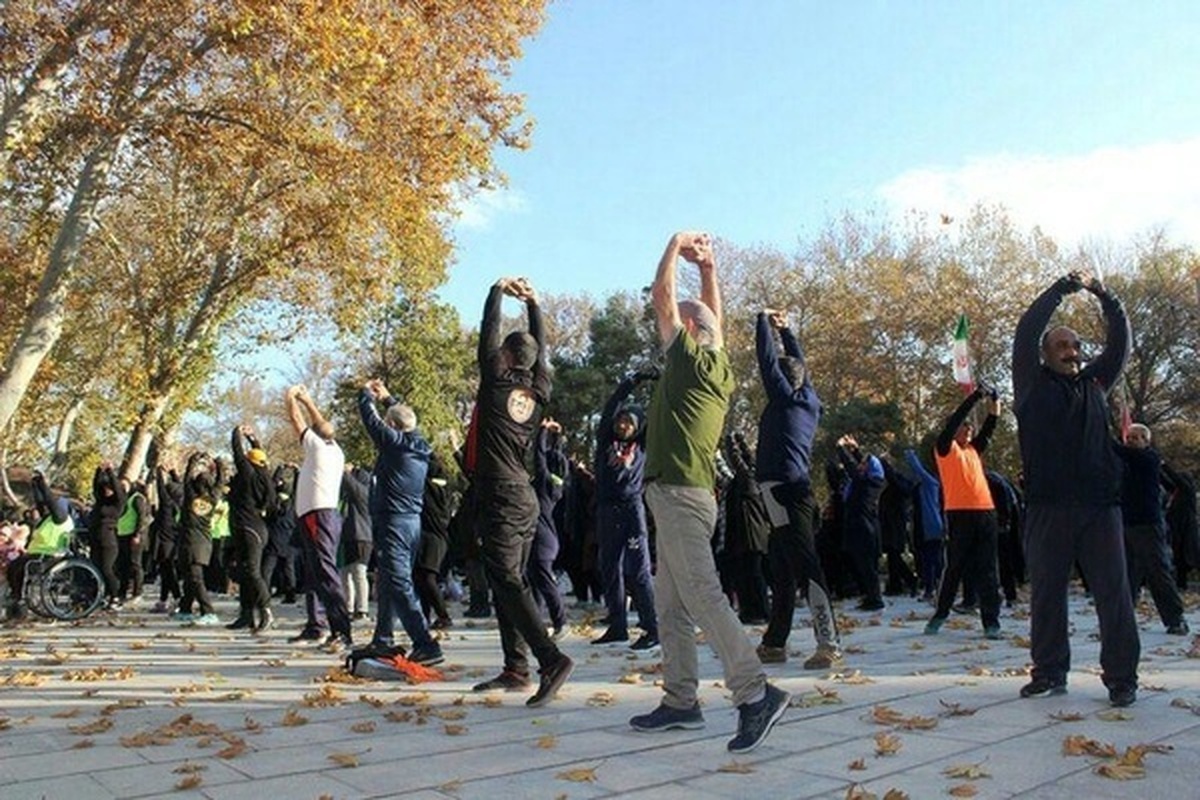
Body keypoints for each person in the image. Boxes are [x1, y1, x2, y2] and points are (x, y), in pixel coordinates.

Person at [629, 231, 789, 754]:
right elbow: (712, 320)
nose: (666, 324)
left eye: (679, 319)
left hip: (677, 495)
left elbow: (662, 297)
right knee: (670, 607)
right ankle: (680, 701)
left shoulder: (689, 360)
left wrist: (675, 246)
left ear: (690, 330)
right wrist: (710, 271)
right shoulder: (717, 366)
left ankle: (755, 693)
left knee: (703, 595)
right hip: (687, 497)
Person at [1012, 270, 1140, 707]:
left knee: (1114, 596)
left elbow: (1120, 345)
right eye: (1062, 346)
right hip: (1047, 508)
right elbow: (1027, 329)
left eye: (1076, 347)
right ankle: (1049, 671)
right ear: (1045, 355)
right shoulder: (1030, 385)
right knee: (1047, 593)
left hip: (1100, 507)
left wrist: (1106, 296)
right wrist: (1060, 290)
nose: (1072, 352)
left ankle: (1122, 678)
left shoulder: (1095, 385)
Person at [470, 276, 573, 707]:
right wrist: (533, 304)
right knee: (508, 581)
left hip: (502, 495)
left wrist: (496, 291)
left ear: (507, 356)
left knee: (508, 579)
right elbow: (543, 351)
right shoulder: (538, 390)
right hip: (523, 497)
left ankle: (550, 659)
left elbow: (487, 334)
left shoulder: (496, 384)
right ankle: (516, 667)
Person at [752, 308, 842, 670]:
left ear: (784, 384)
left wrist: (761, 321)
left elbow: (766, 360)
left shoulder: (784, 399)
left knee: (805, 567)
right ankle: (775, 642)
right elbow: (797, 363)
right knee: (783, 566)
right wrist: (787, 330)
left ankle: (828, 643)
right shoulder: (810, 400)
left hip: (781, 492)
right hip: (793, 490)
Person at [356, 378, 442, 665]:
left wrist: (365, 393)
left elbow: (371, 421)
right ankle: (383, 639)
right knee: (389, 581)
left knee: (400, 582)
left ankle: (425, 644)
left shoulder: (393, 444)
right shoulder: (420, 444)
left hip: (393, 522)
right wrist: (389, 399)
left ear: (392, 427)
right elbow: (404, 421)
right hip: (410, 523)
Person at [923, 388, 1003, 638]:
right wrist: (974, 397)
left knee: (989, 569)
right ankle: (940, 614)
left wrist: (994, 402)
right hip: (960, 514)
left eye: (970, 429)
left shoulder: (973, 450)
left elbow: (990, 426)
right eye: (964, 428)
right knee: (954, 566)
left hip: (986, 513)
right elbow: (957, 418)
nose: (968, 431)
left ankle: (991, 622)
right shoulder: (945, 449)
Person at [592, 368, 660, 650]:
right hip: (607, 510)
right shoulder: (606, 441)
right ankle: (617, 625)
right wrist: (632, 382)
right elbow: (611, 407)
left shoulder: (643, 445)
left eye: (629, 422)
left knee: (638, 571)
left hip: (632, 510)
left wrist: (664, 382)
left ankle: (651, 629)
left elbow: (660, 414)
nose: (623, 425)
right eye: (621, 420)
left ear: (638, 427)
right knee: (609, 568)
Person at [285, 384, 353, 651]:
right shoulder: (335, 449)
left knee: (326, 573)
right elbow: (320, 423)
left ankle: (342, 631)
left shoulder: (317, 447)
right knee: (315, 573)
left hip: (319, 514)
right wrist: (309, 400)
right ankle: (317, 625)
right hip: (317, 514)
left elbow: (297, 420)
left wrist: (291, 398)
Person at [1116, 423, 1188, 635]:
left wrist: (1096, 425)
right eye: (1129, 437)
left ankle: (1176, 619)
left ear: (1147, 442)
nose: (1131, 440)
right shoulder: (1124, 462)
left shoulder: (1149, 459)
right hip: (1126, 524)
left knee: (1157, 572)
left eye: (1137, 437)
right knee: (1126, 575)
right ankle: (1121, 622)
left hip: (1148, 525)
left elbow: (1114, 448)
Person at [226, 425, 277, 632]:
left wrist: (237, 432)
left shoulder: (248, 474)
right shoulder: (264, 475)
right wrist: (253, 437)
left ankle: (266, 609)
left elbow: (237, 452)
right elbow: (258, 455)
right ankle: (246, 614)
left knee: (253, 572)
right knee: (245, 572)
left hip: (249, 528)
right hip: (253, 528)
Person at [836, 435, 886, 611]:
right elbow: (860, 467)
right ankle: (870, 596)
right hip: (863, 529)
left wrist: (841, 449)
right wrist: (856, 449)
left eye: (864, 464)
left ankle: (875, 599)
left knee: (867, 567)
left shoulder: (867, 482)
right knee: (863, 566)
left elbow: (854, 470)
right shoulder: (870, 480)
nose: (861, 465)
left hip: (864, 531)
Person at [530, 418, 568, 639]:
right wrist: (557, 437)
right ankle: (534, 624)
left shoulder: (544, 483)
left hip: (543, 541)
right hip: (547, 540)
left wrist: (543, 431)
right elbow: (554, 456)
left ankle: (560, 621)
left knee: (544, 582)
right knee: (536, 582)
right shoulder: (556, 484)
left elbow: (540, 457)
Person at [175, 450, 223, 625]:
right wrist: (218, 464)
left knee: (195, 578)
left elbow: (186, 479)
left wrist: (194, 460)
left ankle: (208, 611)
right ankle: (186, 607)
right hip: (203, 542)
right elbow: (220, 482)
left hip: (190, 541)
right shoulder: (212, 498)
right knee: (190, 578)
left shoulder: (191, 498)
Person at [415, 452, 453, 630]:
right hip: (436, 538)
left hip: (432, 537)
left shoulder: (429, 487)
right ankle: (425, 616)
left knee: (427, 578)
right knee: (422, 578)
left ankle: (443, 616)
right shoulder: (443, 486)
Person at [904, 448, 945, 601]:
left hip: (931, 527)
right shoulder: (930, 485)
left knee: (931, 560)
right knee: (932, 560)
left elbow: (918, 470)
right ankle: (936, 588)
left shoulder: (930, 483)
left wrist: (910, 454)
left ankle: (932, 590)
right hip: (930, 527)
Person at [339, 464, 374, 621]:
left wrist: (345, 472)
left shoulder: (365, 493)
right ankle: (349, 607)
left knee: (359, 573)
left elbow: (353, 486)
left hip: (362, 536)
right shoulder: (346, 497)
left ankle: (362, 608)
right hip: (346, 536)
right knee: (345, 574)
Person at [90, 463, 126, 610]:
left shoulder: (118, 503)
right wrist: (99, 470)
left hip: (108, 540)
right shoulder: (100, 501)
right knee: (96, 569)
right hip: (95, 538)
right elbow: (96, 487)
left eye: (109, 489)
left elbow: (117, 490)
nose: (107, 491)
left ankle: (116, 596)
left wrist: (111, 472)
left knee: (107, 569)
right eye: (105, 489)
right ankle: (102, 595)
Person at [151, 465, 183, 613]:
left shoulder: (167, 506)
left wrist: (159, 473)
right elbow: (180, 487)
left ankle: (177, 598)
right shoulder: (180, 505)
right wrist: (173, 472)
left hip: (164, 544)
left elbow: (161, 490)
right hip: (173, 543)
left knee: (169, 573)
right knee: (165, 573)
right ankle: (163, 600)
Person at [115, 479, 151, 605]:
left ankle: (138, 592)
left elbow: (142, 518)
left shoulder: (137, 498)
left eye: (124, 485)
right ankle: (122, 592)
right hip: (122, 535)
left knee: (135, 564)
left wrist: (137, 534)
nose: (122, 487)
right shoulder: (124, 499)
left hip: (133, 536)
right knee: (123, 565)